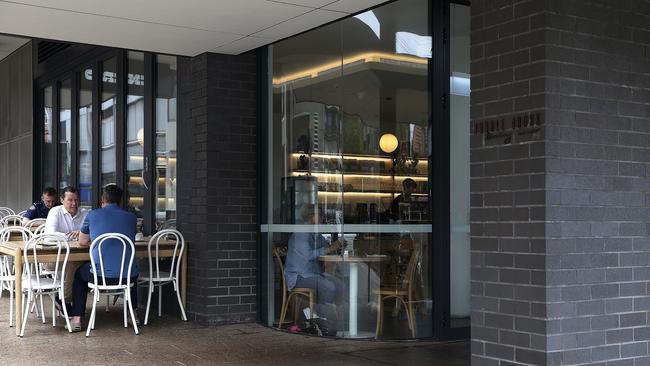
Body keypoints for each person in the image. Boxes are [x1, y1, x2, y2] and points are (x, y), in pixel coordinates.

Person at [69, 184, 139, 332]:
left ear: (103, 200)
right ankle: (133, 314)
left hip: (99, 277)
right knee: (130, 268)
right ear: (120, 201)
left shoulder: (93, 215)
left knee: (79, 274)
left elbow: (81, 241)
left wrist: (95, 242)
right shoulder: (132, 217)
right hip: (127, 278)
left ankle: (76, 319)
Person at [285, 204, 346, 332]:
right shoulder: (302, 233)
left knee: (340, 285)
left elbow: (324, 248)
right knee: (329, 287)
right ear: (311, 216)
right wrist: (329, 248)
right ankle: (318, 317)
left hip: (314, 274)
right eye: (320, 215)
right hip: (299, 276)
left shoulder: (316, 234)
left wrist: (334, 246)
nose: (323, 217)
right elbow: (308, 255)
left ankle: (323, 315)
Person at [43, 186, 88, 307]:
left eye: (77, 199)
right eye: (70, 200)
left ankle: (65, 299)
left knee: (79, 262)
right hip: (53, 258)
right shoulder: (55, 211)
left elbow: (92, 234)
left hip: (77, 256)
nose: (74, 203)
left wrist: (81, 233)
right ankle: (66, 300)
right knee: (75, 263)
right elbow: (49, 236)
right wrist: (76, 235)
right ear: (62, 200)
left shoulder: (84, 213)